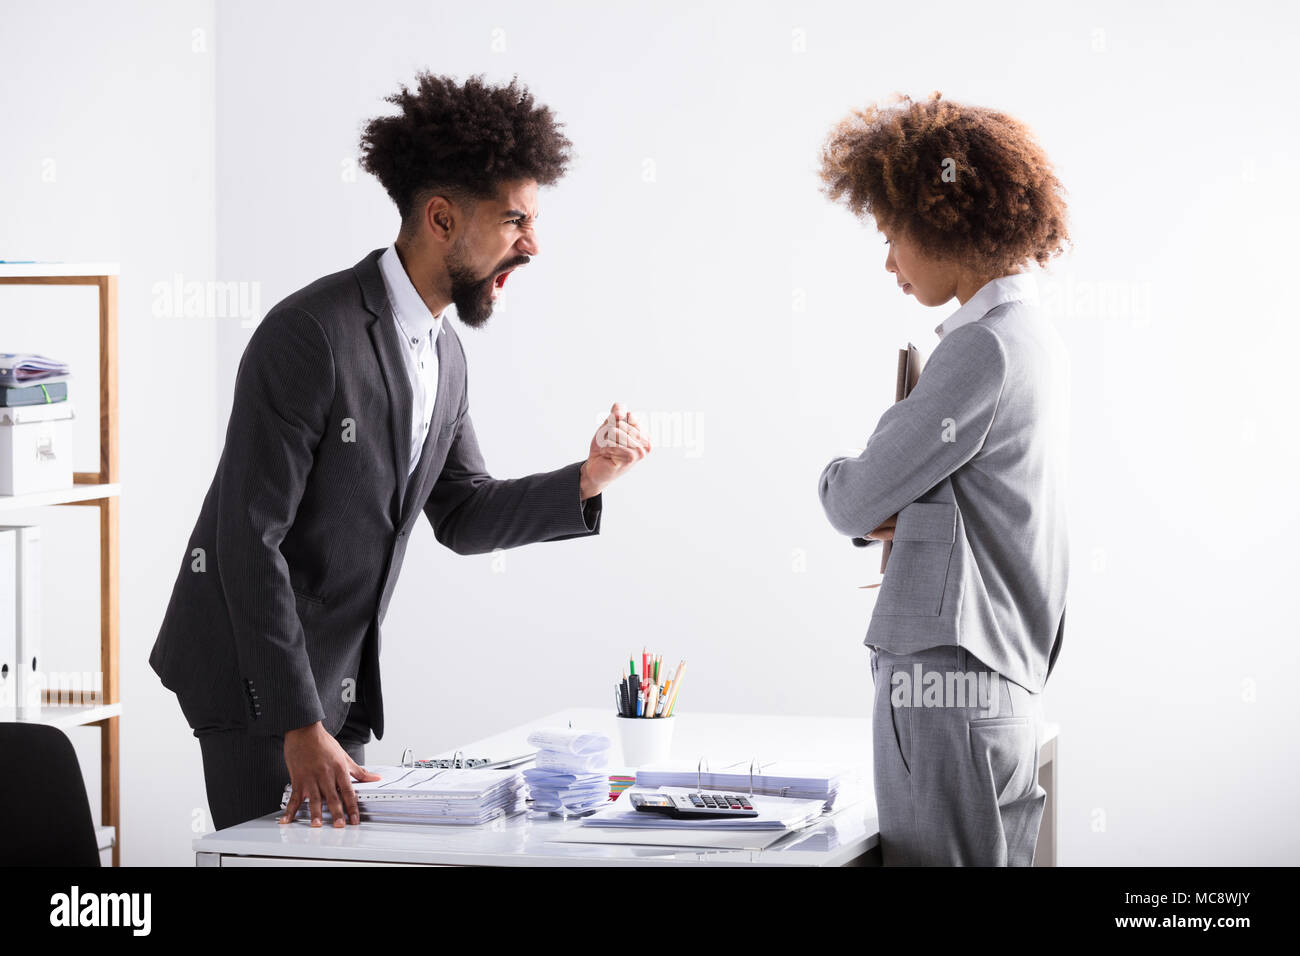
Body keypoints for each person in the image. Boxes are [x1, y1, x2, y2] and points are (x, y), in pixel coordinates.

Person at [149, 72, 651, 831]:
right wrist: (297, 723)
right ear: (442, 218)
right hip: (254, 687)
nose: (534, 244)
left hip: (336, 690)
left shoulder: (444, 356)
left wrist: (588, 477)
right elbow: (248, 539)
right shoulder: (311, 335)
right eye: (516, 219)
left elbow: (463, 513)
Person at [816, 92, 1070, 865]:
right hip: (990, 688)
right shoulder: (1029, 336)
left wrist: (842, 480)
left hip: (946, 689)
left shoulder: (982, 349)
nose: (889, 261)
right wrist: (918, 502)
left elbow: (854, 497)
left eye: (893, 235)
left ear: (941, 220)